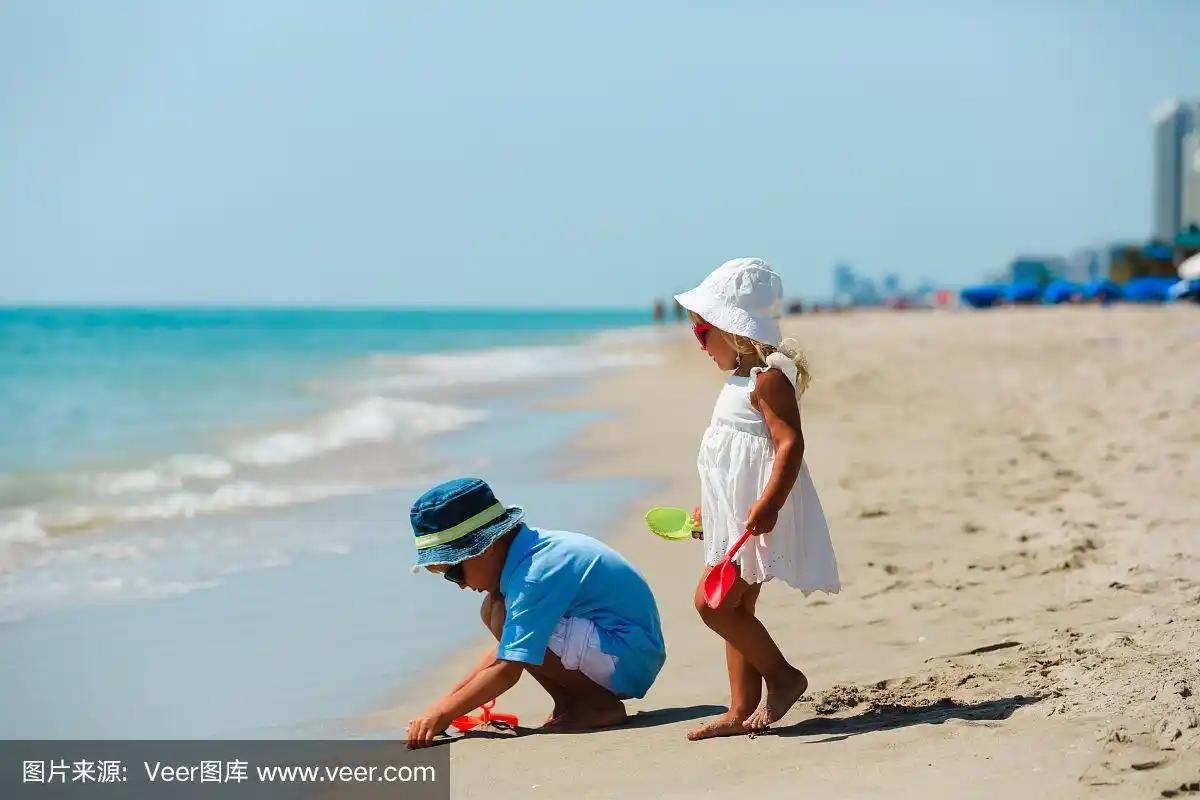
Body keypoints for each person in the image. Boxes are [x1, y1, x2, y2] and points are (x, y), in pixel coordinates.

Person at [672, 257, 841, 741]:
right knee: (736, 610)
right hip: (736, 513)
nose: (698, 343)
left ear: (732, 331)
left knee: (712, 604)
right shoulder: (739, 381)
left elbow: (790, 443)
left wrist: (769, 503)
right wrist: (714, 508)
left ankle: (784, 677)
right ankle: (741, 709)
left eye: (703, 333)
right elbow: (729, 458)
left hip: (758, 513)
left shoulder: (769, 377)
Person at [404, 477, 667, 748]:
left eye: (455, 571)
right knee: (496, 610)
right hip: (617, 647)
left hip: (627, 655)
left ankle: (596, 705)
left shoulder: (534, 574)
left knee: (501, 614)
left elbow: (507, 669)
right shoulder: (527, 555)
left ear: (486, 546)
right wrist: (441, 708)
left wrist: (446, 713)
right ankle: (569, 703)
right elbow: (505, 651)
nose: (460, 585)